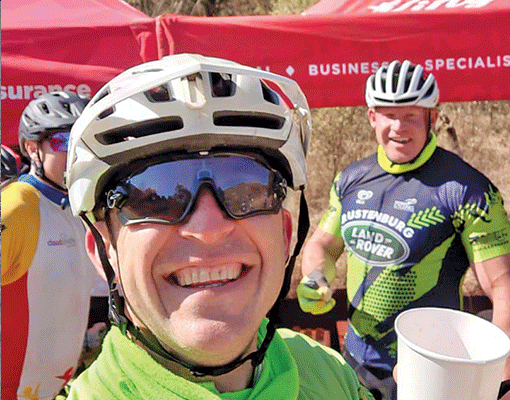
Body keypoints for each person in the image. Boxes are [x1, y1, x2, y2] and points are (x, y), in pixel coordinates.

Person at [60, 53, 375, 399]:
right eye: (158, 196)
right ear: (105, 250)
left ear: (285, 237)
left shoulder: (328, 373)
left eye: (245, 188)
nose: (208, 228)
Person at [298, 60, 510, 400]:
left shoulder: (467, 190)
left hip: (432, 370)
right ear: (372, 117)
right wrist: (316, 277)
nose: (399, 127)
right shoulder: (350, 179)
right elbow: (323, 244)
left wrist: (506, 386)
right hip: (356, 359)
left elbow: (506, 290)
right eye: (389, 115)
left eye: (411, 116)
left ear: (431, 118)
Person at [1, 92, 98, 400]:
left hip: (50, 389)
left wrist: (83, 341)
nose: (76, 152)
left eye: (83, 140)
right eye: (64, 141)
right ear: (32, 149)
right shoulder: (17, 206)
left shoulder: (76, 208)